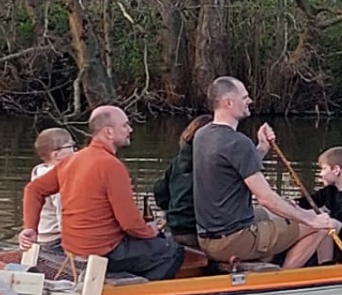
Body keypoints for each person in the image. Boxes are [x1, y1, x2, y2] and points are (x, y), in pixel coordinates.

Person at [21, 105, 185, 281]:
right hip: (104, 251)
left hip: (72, 250)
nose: (130, 129)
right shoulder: (111, 166)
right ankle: (139, 294)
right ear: (108, 132)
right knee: (172, 250)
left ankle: (122, 280)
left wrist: (30, 228)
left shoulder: (73, 160)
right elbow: (129, 223)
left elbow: (34, 189)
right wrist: (150, 231)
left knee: (150, 244)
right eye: (125, 125)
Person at [192, 76, 337, 268]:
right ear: (228, 102)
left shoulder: (202, 135)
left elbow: (236, 172)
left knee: (286, 209)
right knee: (323, 226)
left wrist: (261, 148)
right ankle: (282, 281)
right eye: (244, 98)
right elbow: (265, 197)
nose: (249, 101)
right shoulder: (238, 143)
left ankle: (273, 256)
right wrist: (312, 219)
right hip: (234, 240)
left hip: (208, 237)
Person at [151, 114, 212, 250]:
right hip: (198, 232)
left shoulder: (177, 162)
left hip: (175, 228)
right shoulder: (213, 163)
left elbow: (160, 192)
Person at [26, 127, 77, 276]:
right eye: (71, 147)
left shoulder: (39, 170)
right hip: (55, 242)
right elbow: (64, 215)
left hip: (43, 238)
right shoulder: (59, 181)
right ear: (56, 154)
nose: (75, 151)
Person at [297, 145, 342, 263]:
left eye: (324, 169)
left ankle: (326, 264)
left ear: (336, 170)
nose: (321, 174)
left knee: (326, 224)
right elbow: (312, 200)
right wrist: (295, 203)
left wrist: (320, 217)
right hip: (335, 231)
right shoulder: (330, 190)